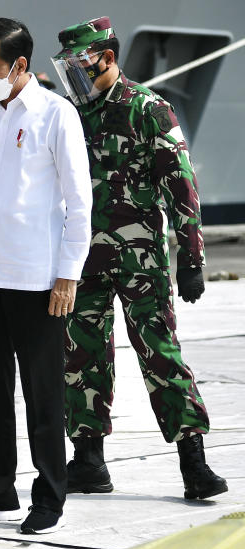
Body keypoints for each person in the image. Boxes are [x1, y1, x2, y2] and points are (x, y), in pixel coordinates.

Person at [52, 17, 227, 499]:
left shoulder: (148, 108)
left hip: (140, 258)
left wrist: (190, 256)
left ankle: (194, 460)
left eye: (80, 65)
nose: (74, 75)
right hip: (80, 258)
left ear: (107, 58)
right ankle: (87, 458)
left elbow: (180, 184)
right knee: (81, 354)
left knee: (160, 355)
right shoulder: (69, 113)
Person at [0, 18, 92, 534]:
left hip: (38, 279)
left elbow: (78, 202)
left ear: (19, 66)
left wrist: (68, 275)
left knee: (43, 392)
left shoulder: (56, 115)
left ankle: (49, 495)